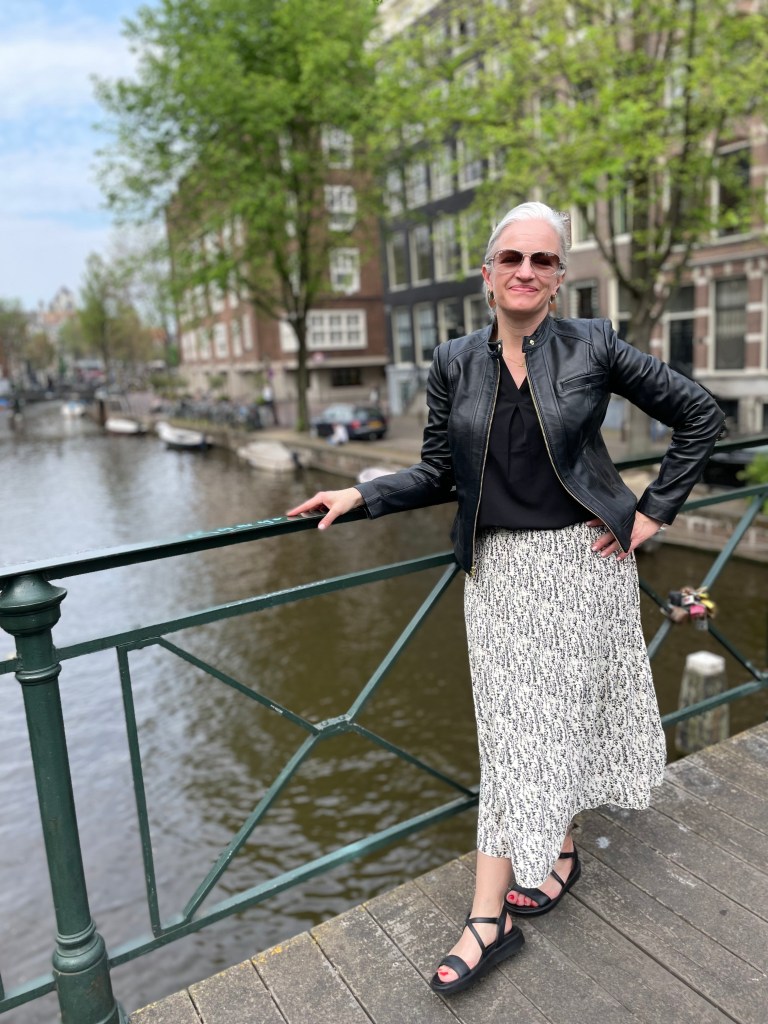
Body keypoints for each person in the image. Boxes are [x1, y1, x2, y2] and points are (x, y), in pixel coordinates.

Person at [286, 201, 724, 996]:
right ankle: (550, 854)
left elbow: (699, 414)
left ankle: (490, 918)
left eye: (544, 261)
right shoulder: (455, 360)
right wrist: (363, 493)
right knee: (513, 738)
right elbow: (438, 473)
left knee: (545, 728)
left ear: (559, 280)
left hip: (581, 567)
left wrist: (653, 512)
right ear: (487, 275)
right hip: (497, 577)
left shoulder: (592, 344)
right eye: (512, 258)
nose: (527, 271)